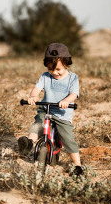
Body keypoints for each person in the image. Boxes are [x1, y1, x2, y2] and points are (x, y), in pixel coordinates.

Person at [18, 43, 83, 175]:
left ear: (67, 63)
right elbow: (37, 88)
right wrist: (33, 96)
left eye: (58, 69)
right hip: (46, 109)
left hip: (62, 113)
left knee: (67, 138)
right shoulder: (45, 76)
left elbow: (74, 94)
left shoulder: (72, 78)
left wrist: (66, 101)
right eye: (50, 69)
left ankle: (77, 166)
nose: (54, 72)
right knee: (37, 125)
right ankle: (29, 143)